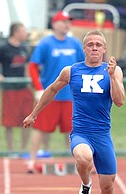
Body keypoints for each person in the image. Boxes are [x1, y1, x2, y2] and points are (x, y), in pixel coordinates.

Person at [23, 30, 125, 194]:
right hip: (80, 132)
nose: (95, 48)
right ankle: (85, 184)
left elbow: (120, 102)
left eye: (99, 45)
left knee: (108, 186)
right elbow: (51, 90)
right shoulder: (71, 71)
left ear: (104, 49)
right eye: (90, 45)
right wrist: (34, 114)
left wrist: (113, 76)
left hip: (102, 134)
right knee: (83, 157)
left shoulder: (113, 72)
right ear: (84, 49)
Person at [26, 10, 85, 173]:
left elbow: (83, 64)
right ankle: (32, 160)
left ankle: (80, 161)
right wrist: (39, 88)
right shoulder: (46, 43)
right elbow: (32, 66)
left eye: (68, 22)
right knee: (40, 128)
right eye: (63, 21)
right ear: (54, 24)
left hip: (71, 96)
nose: (67, 25)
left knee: (74, 130)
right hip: (50, 95)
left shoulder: (74, 43)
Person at [0, 22, 33, 152]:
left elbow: (27, 67)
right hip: (10, 89)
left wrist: (30, 82)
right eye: (23, 31)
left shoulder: (24, 48)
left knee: (27, 120)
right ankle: (11, 150)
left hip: (23, 88)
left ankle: (23, 149)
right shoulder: (4, 48)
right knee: (9, 122)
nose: (25, 34)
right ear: (16, 32)